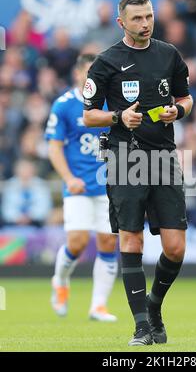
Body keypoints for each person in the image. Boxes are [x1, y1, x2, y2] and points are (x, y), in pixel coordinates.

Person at [83, 0, 193, 346]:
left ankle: (154, 307)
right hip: (124, 158)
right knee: (131, 238)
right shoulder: (106, 62)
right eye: (137, 19)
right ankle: (142, 327)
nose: (145, 23)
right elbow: (88, 115)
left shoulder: (168, 54)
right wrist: (118, 116)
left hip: (163, 156)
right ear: (122, 23)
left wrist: (180, 111)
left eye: (148, 16)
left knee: (175, 247)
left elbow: (185, 97)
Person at [45, 54, 118, 322]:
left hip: (108, 184)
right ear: (77, 74)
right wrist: (68, 178)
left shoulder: (112, 103)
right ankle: (60, 280)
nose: (93, 79)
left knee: (108, 242)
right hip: (78, 186)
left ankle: (98, 305)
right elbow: (54, 147)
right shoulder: (64, 105)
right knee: (76, 243)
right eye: (89, 73)